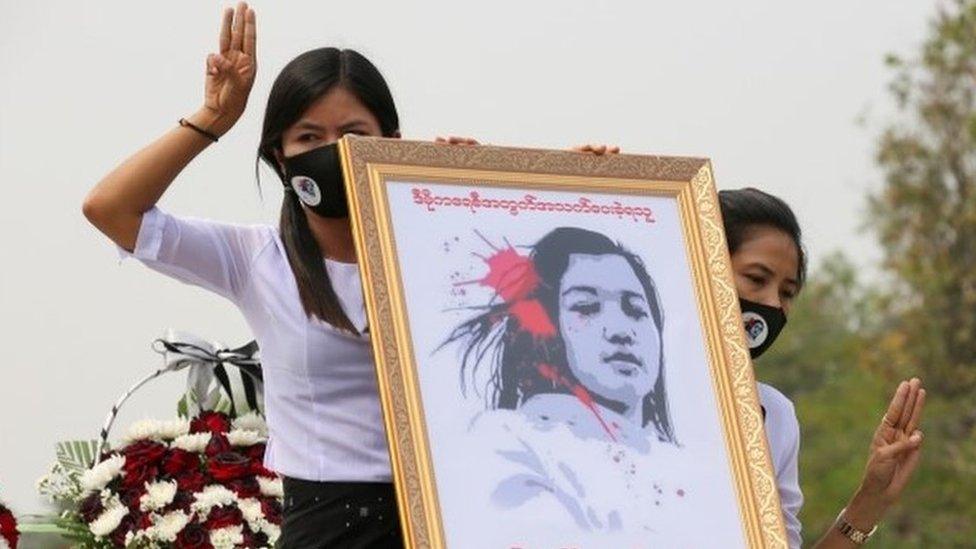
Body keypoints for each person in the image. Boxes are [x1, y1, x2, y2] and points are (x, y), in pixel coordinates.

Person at [82, 4, 480, 546]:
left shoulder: (447, 248)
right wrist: (211, 119)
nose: (332, 152)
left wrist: (571, 187)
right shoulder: (255, 259)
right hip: (328, 522)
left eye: (353, 133)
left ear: (391, 140)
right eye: (308, 137)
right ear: (280, 156)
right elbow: (111, 209)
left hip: (453, 516)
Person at [440, 227, 690, 541]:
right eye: (586, 308)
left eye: (636, 310)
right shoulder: (509, 443)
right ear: (543, 327)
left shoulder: (690, 467)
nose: (620, 330)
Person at [717, 188, 926, 548]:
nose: (771, 304)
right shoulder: (609, 387)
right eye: (756, 278)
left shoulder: (773, 417)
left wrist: (869, 501)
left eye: (787, 292)